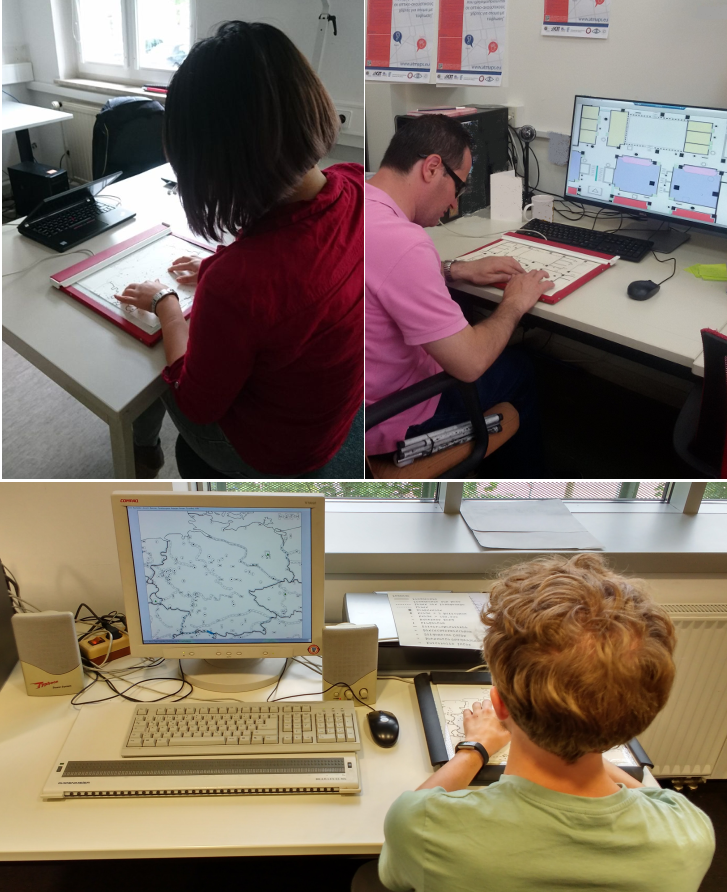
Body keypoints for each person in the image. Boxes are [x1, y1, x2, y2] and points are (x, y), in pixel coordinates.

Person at [355, 554, 715, 892]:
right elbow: (650, 797)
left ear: (499, 705)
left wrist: (474, 750)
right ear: (638, 717)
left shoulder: (422, 827)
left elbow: (394, 876)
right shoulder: (690, 831)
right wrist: (586, 726)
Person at [117, 21, 363, 478]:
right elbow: (295, 271)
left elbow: (197, 402)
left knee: (151, 357)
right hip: (332, 416)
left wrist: (166, 306)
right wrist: (214, 266)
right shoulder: (357, 186)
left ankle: (141, 448)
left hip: (277, 453)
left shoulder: (238, 285)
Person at [365, 115, 552, 474]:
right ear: (432, 168)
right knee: (521, 369)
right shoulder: (404, 242)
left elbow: (381, 273)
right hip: (389, 419)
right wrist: (513, 303)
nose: (453, 205)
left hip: (352, 401)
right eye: (459, 187)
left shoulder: (354, 199)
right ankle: (523, 493)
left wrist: (454, 270)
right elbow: (469, 364)